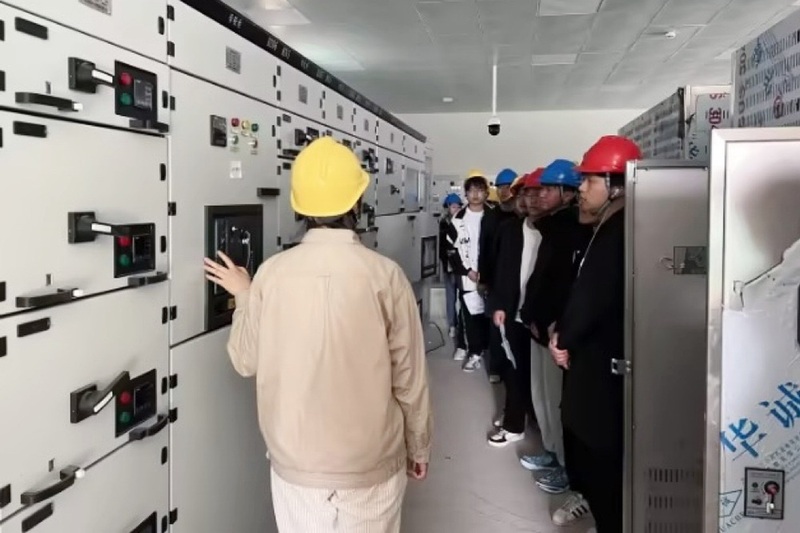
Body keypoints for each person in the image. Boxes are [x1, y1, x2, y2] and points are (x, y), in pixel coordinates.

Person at [203, 136, 433, 533]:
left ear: (299, 206)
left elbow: (245, 360)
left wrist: (245, 295)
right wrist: (419, 444)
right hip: (370, 462)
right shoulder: (385, 276)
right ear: (357, 202)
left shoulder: (271, 274)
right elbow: (409, 377)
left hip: (296, 465)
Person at [548, 135, 641, 533]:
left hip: (602, 370)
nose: (581, 188)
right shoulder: (613, 225)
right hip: (604, 363)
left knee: (603, 462)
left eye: (589, 180)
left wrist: (563, 338)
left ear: (616, 185)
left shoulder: (616, 231)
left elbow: (592, 297)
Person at [518, 160, 592, 510]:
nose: (539, 196)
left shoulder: (574, 230)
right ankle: (551, 452)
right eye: (537, 190)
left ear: (567, 192)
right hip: (539, 328)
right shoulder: (551, 228)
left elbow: (566, 287)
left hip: (554, 334)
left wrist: (553, 324)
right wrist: (531, 315)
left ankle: (565, 468)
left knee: (557, 401)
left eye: (547, 189)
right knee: (542, 397)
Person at [487, 169, 544, 447]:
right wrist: (499, 305)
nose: (529, 200)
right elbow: (502, 270)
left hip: (541, 317)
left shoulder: (556, 232)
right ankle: (514, 422)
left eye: (535, 194)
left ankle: (524, 415)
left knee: (538, 376)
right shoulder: (510, 230)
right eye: (524, 194)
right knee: (514, 368)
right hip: (513, 311)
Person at [444, 170, 498, 372]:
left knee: (490, 313)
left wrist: (489, 272)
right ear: (465, 194)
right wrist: (467, 271)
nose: (475, 195)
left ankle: (489, 352)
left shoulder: (494, 217)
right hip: (468, 275)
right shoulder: (458, 219)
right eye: (471, 191)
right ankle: (474, 351)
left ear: (486, 193)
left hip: (490, 275)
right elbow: (451, 250)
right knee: (470, 314)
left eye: (480, 190)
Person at [485, 167, 520, 384]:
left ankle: (512, 368)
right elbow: (485, 248)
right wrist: (484, 279)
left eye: (508, 187)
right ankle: (496, 367)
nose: (504, 191)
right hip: (495, 277)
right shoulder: (491, 216)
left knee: (513, 325)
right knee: (496, 324)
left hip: (516, 279)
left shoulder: (521, 216)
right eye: (500, 188)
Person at [439, 193, 464, 340]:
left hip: (462, 268)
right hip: (448, 267)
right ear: (448, 208)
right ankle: (452, 325)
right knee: (451, 297)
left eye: (457, 206)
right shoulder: (443, 224)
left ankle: (462, 324)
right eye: (453, 206)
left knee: (463, 297)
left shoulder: (464, 223)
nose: (455, 209)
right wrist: (445, 261)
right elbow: (442, 247)